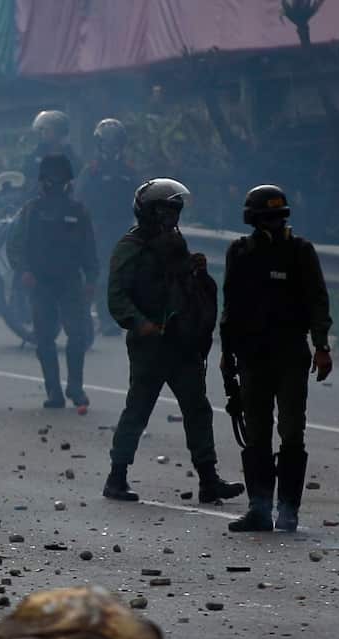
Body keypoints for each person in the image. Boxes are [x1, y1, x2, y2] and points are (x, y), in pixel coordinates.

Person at [103, 179, 244, 505]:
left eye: (174, 210)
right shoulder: (132, 247)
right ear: (150, 211)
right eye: (165, 210)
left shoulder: (176, 244)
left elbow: (187, 292)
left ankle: (209, 480)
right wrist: (142, 325)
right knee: (138, 409)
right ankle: (117, 476)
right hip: (150, 345)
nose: (171, 217)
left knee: (197, 409)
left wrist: (197, 273)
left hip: (181, 343)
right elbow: (117, 297)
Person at [222, 185, 333, 532]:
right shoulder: (240, 253)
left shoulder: (300, 252)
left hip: (290, 354)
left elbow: (317, 300)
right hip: (252, 355)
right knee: (255, 433)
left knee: (291, 432)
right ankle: (259, 509)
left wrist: (321, 346)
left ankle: (288, 510)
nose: (272, 222)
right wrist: (227, 353)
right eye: (266, 217)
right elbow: (231, 306)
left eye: (277, 216)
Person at [6, 153, 98, 409]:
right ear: (43, 181)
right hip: (40, 283)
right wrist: (23, 271)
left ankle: (75, 388)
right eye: (51, 179)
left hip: (70, 282)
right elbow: (14, 245)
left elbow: (89, 249)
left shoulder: (79, 212)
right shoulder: (31, 211)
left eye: (60, 179)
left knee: (77, 336)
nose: (56, 184)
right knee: (45, 338)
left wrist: (91, 279)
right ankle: (54, 392)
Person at [77, 119, 139, 337]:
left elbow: (139, 198)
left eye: (116, 143)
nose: (111, 147)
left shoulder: (129, 171)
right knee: (104, 272)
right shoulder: (92, 170)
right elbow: (80, 198)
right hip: (98, 228)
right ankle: (103, 319)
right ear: (99, 144)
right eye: (107, 143)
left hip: (123, 227)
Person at [21, 110, 79, 187]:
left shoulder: (71, 157)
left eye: (47, 129)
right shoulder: (34, 156)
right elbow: (26, 178)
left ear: (60, 131)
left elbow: (77, 178)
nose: (43, 133)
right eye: (42, 130)